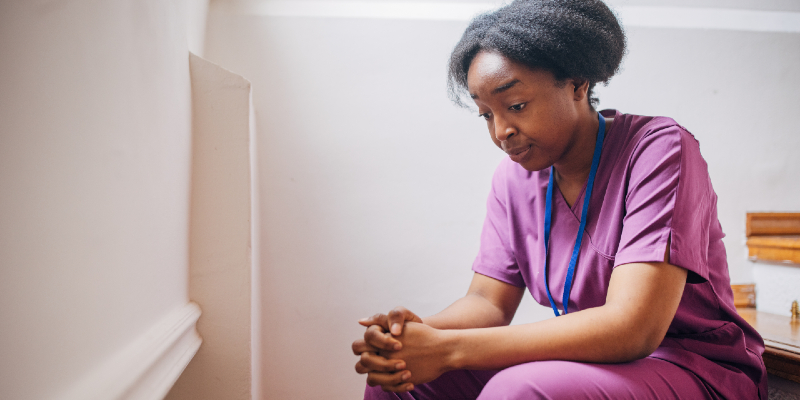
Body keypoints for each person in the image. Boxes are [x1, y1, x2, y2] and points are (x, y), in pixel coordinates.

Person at [351, 0, 767, 398]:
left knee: (520, 391)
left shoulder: (658, 150)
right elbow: (487, 302)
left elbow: (633, 327)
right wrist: (415, 336)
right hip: (593, 362)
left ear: (577, 83)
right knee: (401, 379)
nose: (501, 131)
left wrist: (450, 350)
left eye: (516, 105)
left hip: (693, 366)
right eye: (487, 115)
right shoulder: (514, 179)